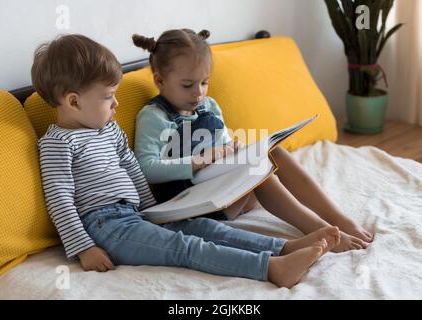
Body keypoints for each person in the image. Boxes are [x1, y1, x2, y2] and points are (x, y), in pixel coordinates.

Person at [32, 33, 340, 289]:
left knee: (204, 228)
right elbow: (60, 199)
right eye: (108, 96)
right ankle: (271, 268)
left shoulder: (108, 130)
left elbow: (131, 166)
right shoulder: (57, 144)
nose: (116, 104)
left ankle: (284, 247)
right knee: (185, 248)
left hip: (136, 213)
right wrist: (83, 248)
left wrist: (154, 209)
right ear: (74, 101)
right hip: (105, 227)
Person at [133, 29, 374, 252]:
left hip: (224, 193)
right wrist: (200, 160)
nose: (198, 93)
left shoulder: (209, 106)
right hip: (192, 208)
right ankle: (319, 229)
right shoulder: (154, 116)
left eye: (204, 82)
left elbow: (223, 144)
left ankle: (339, 218)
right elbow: (147, 168)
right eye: (187, 85)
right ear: (160, 81)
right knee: (260, 172)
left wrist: (233, 149)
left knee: (272, 154)